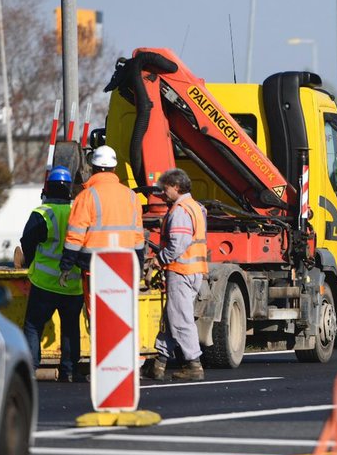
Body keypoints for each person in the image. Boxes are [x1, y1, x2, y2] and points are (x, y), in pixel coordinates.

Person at [20, 166, 86, 382]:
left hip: (44, 284)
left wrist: (30, 263)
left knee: (33, 325)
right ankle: (69, 371)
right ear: (69, 189)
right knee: (70, 328)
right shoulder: (78, 211)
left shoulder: (42, 213)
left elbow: (27, 242)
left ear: (48, 188)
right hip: (72, 285)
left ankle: (30, 368)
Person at [147, 168, 208, 382]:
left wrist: (159, 259)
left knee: (180, 319)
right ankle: (159, 363)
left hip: (181, 270)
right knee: (171, 316)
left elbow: (178, 244)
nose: (163, 193)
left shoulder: (181, 210)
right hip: (192, 270)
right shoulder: (196, 207)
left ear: (176, 187)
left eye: (166, 189)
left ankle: (194, 364)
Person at [59, 145, 145, 292]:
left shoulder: (86, 196)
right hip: (124, 263)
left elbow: (75, 237)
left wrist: (66, 267)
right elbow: (138, 237)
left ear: (93, 167)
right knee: (120, 312)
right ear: (115, 168)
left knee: (97, 312)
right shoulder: (131, 196)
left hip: (94, 265)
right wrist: (139, 265)